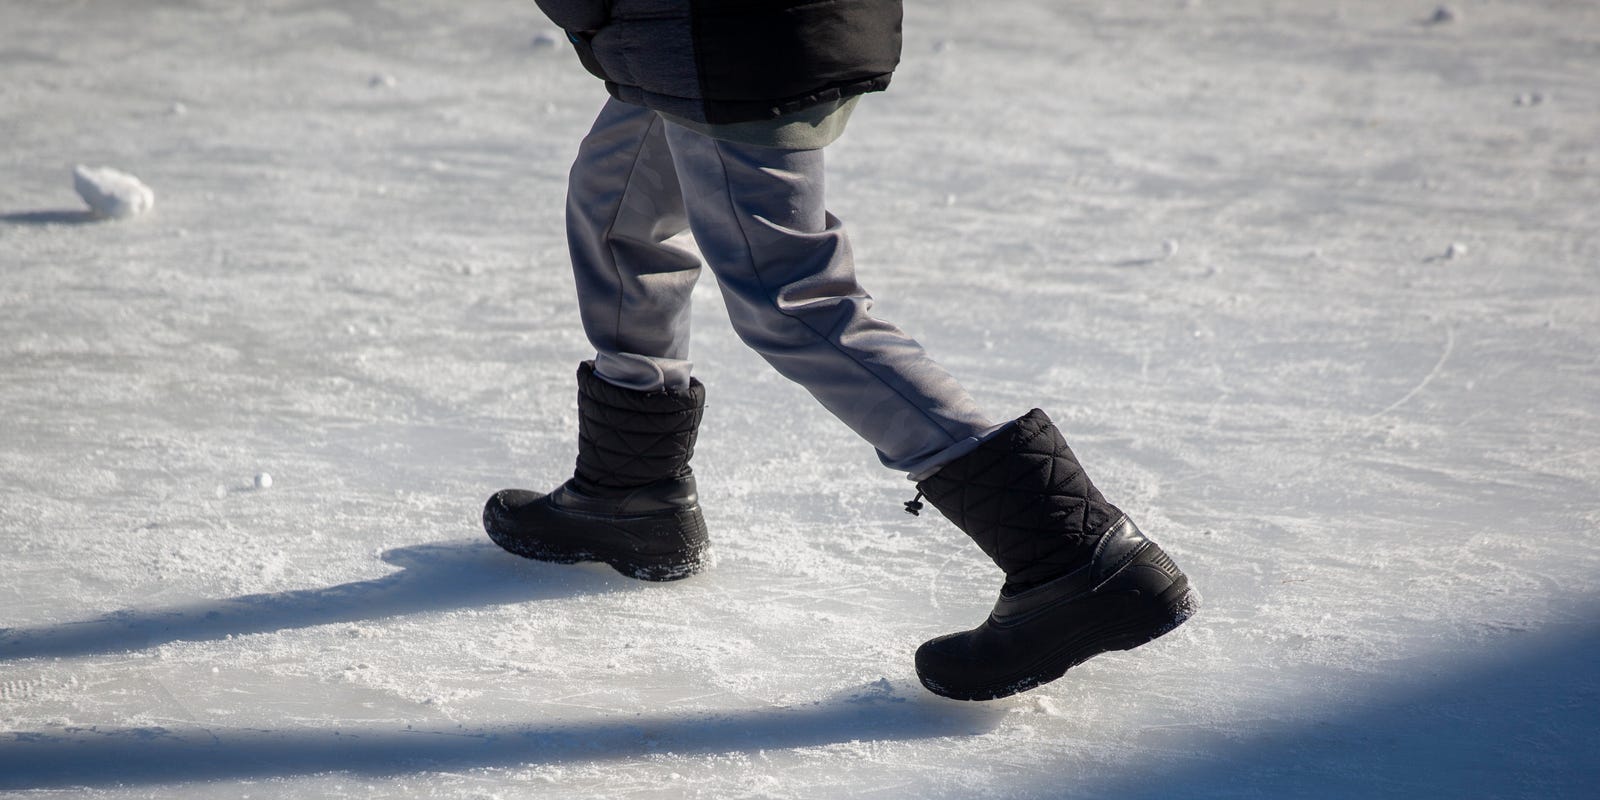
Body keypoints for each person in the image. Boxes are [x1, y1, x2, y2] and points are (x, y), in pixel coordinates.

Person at [484, 0, 1198, 702]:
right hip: (734, 30)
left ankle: (1071, 550)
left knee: (791, 298)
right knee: (617, 202)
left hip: (714, 35)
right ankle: (628, 492)